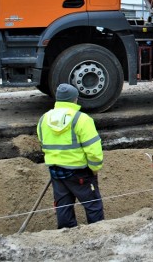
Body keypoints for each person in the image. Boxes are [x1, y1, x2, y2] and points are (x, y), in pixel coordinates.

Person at [37, 83, 104, 228]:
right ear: (75, 99)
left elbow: (43, 142)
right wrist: (95, 167)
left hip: (56, 172)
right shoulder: (82, 119)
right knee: (93, 205)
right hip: (80, 172)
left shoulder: (44, 119)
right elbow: (93, 150)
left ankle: (66, 235)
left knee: (63, 207)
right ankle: (98, 233)